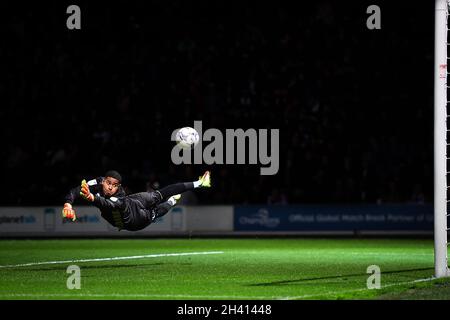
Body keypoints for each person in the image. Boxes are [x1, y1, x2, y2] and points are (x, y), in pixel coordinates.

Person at [74, 171, 211, 231]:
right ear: (103, 181)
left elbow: (106, 203)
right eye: (108, 183)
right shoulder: (97, 184)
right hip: (134, 221)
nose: (110, 187)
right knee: (156, 212)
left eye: (114, 184)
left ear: (119, 186)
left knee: (159, 194)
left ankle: (199, 183)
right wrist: (68, 203)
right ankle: (172, 202)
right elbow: (75, 191)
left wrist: (92, 198)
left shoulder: (120, 197)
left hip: (132, 202)